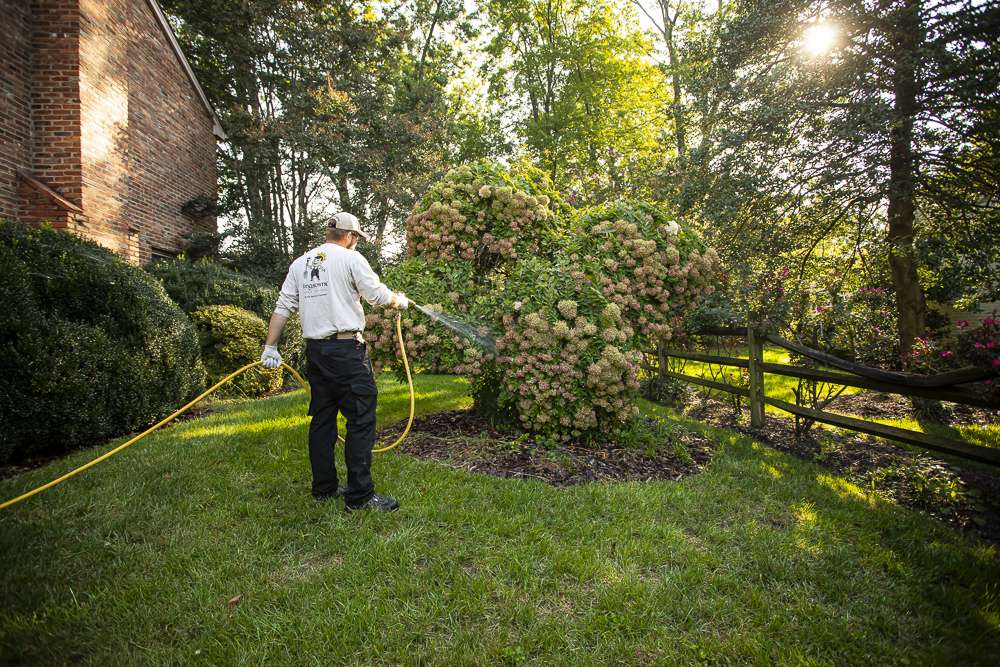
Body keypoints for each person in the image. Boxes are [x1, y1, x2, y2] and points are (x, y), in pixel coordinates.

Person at [260, 211, 409, 512]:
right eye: (356, 237)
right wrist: (398, 300)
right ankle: (360, 496)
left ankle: (325, 488)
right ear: (351, 236)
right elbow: (377, 295)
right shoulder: (351, 259)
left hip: (316, 352)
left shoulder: (300, 263)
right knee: (361, 419)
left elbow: (283, 307)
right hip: (346, 351)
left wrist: (270, 347)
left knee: (323, 420)